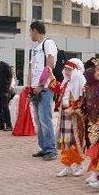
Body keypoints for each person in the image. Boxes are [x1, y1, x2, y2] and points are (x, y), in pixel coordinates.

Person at [28, 21, 58, 161]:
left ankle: (51, 149)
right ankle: (44, 147)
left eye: (30, 31)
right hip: (35, 89)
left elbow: (49, 65)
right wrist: (29, 87)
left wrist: (40, 84)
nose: (30, 34)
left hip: (44, 88)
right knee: (39, 121)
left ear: (35, 30)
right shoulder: (34, 48)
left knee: (45, 119)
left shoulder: (48, 43)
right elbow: (31, 69)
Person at [52, 58, 87, 177]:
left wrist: (73, 109)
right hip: (64, 115)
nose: (67, 71)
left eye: (70, 69)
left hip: (75, 117)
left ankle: (79, 164)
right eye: (65, 69)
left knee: (75, 141)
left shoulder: (81, 84)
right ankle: (67, 165)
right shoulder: (66, 82)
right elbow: (60, 93)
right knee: (65, 141)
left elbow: (83, 100)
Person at [81, 58, 99, 189]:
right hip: (90, 122)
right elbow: (84, 104)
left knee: (97, 149)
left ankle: (97, 173)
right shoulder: (88, 86)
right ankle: (94, 171)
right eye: (98, 70)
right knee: (91, 148)